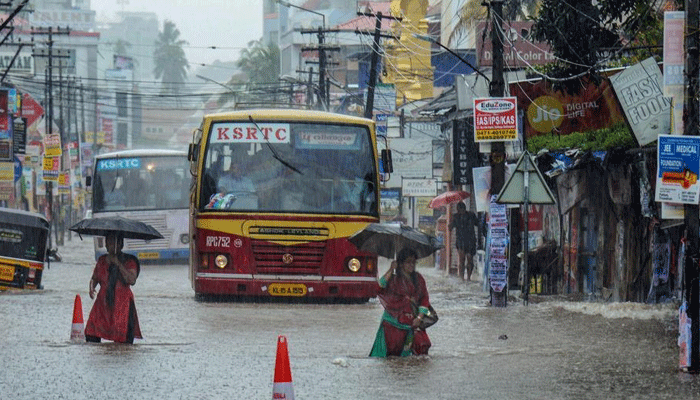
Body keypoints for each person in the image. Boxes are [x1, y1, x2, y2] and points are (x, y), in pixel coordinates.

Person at [369, 247, 432, 357]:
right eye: (408, 262)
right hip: (392, 323)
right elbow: (378, 288)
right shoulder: (393, 278)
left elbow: (424, 299)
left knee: (422, 346)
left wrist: (419, 318)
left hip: (412, 322)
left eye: (413, 262)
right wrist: (390, 269)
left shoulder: (418, 279)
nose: (411, 265)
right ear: (401, 263)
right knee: (392, 355)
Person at [85, 233, 142, 344]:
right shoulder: (102, 260)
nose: (110, 245)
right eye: (108, 242)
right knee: (91, 335)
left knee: (123, 341)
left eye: (113, 242)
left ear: (120, 245)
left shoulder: (129, 261)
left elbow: (131, 280)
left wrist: (118, 264)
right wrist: (91, 287)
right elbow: (94, 278)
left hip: (123, 305)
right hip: (103, 304)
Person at [449, 201, 479, 281]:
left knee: (470, 258)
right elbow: (450, 228)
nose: (461, 212)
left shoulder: (471, 215)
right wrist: (450, 224)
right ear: (458, 210)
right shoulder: (456, 217)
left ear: (464, 209)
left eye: (462, 210)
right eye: (459, 210)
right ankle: (462, 278)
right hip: (460, 241)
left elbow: (477, 223)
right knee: (461, 259)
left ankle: (468, 277)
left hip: (470, 240)